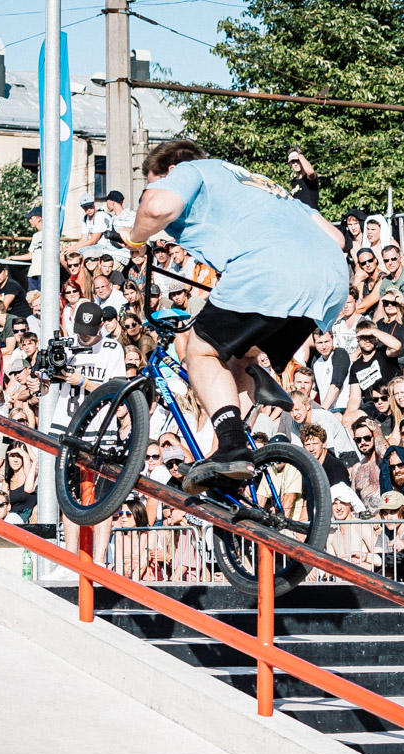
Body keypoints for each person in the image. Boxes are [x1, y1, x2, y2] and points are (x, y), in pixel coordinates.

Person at [114, 139, 348, 495]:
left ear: (169, 172)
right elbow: (336, 238)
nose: (152, 189)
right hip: (328, 282)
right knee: (235, 355)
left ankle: (231, 444)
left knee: (201, 351)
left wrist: (133, 239)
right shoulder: (263, 184)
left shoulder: (190, 171)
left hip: (270, 272)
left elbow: (158, 207)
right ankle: (251, 382)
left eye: (152, 181)